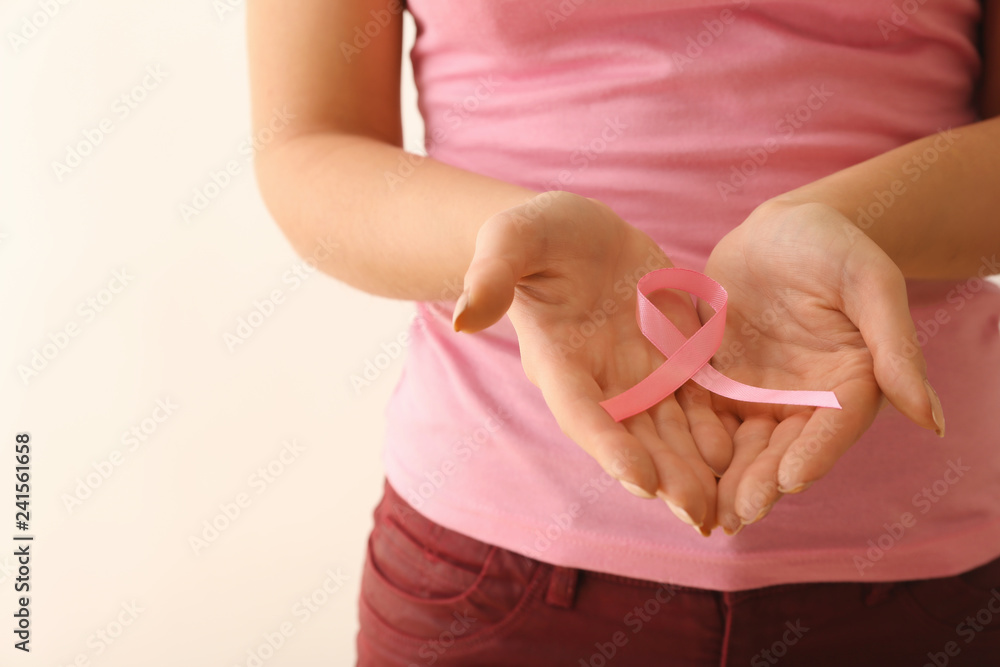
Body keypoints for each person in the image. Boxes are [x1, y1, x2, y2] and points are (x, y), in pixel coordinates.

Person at [247, 0, 1000, 664]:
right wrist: (510, 244)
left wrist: (861, 222)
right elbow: (309, 141)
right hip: (490, 575)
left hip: (928, 582)